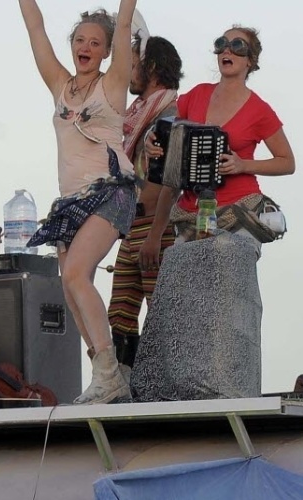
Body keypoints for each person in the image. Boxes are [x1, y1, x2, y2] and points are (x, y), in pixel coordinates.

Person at [18, 0, 137, 405]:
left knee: (75, 275)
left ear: (106, 52)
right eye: (80, 40)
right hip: (71, 201)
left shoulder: (113, 83)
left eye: (95, 42)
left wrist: (124, 13)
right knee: (69, 287)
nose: (86, 47)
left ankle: (107, 371)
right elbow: (36, 29)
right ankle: (107, 374)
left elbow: (123, 24)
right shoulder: (60, 85)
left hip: (111, 189)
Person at [146, 26, 295, 247]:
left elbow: (287, 163)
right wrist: (152, 138)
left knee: (227, 270)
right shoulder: (197, 94)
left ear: (250, 61)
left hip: (239, 213)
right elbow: (168, 143)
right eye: (221, 44)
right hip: (190, 216)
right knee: (181, 277)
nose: (227, 51)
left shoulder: (259, 110)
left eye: (237, 46)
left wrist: (242, 165)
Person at [107, 35, 183, 378]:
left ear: (151, 68)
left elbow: (168, 180)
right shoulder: (140, 114)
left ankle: (162, 387)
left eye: (135, 65)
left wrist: (154, 235)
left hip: (156, 226)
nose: (129, 72)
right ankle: (130, 385)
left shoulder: (168, 114)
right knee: (120, 313)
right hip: (132, 224)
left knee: (161, 313)